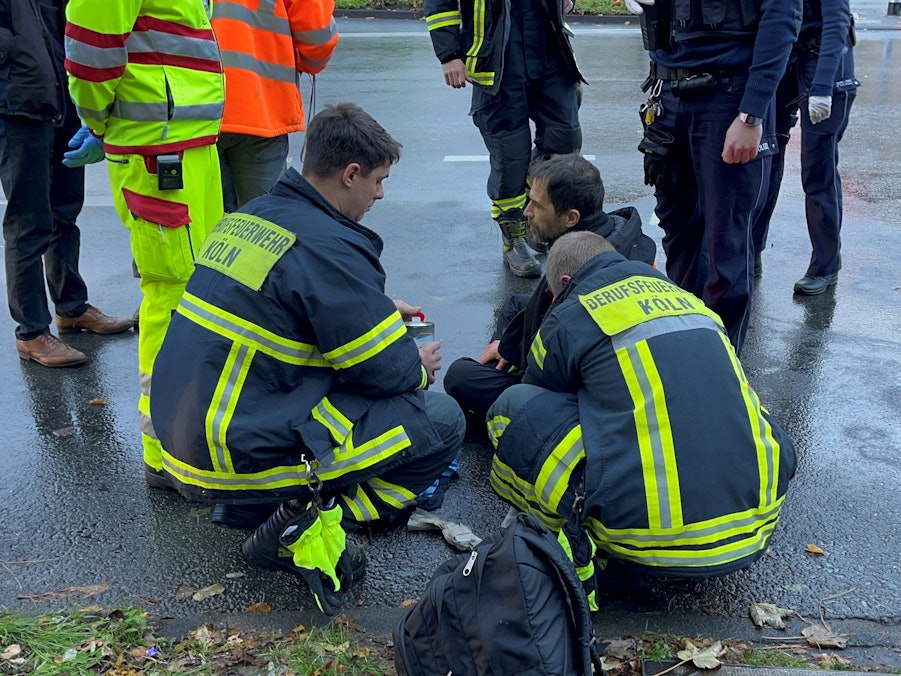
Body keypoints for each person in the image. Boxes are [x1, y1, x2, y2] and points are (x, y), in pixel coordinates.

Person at [150, 103, 466, 614]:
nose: (380, 195)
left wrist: (374, 309)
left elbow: (281, 302)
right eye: (379, 181)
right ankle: (297, 524)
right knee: (436, 418)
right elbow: (383, 371)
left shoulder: (252, 216)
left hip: (183, 436)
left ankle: (257, 505)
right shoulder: (331, 247)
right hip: (232, 453)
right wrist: (416, 363)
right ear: (350, 175)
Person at [488, 230, 797, 584]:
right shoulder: (690, 300)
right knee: (748, 409)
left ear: (565, 282)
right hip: (756, 524)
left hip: (644, 541)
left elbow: (539, 392)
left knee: (512, 407)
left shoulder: (572, 313)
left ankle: (555, 530)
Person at [63, 0, 225, 485]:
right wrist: (100, 123)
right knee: (173, 298)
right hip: (161, 151)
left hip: (184, 144)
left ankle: (185, 439)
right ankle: (167, 451)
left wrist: (105, 124)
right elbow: (92, 50)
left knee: (197, 292)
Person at [628, 0, 801, 353]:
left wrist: (752, 112)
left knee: (728, 242)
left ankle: (722, 363)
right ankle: (690, 345)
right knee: (679, 234)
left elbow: (782, 16)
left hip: (727, 97)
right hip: (667, 92)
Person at [443, 153, 655, 424]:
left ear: (570, 217)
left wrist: (514, 353)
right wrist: (509, 346)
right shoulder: (615, 235)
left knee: (462, 377)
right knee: (516, 305)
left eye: (537, 205)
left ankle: (509, 413)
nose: (527, 212)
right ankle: (503, 369)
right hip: (577, 348)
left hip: (583, 395)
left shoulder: (580, 265)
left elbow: (560, 359)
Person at [0, 0, 132, 368]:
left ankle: (71, 307)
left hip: (60, 97)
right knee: (28, 221)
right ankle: (30, 332)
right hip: (17, 104)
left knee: (65, 210)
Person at [424, 0, 585, 278]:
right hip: (499, 52)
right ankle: (514, 236)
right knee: (511, 154)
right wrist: (449, 54)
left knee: (565, 138)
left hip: (549, 42)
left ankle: (535, 214)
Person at [752, 0, 858, 296]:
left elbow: (836, 21)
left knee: (817, 169)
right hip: (786, 55)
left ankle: (826, 266)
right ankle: (752, 250)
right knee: (766, 154)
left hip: (826, 60)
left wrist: (823, 86)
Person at [212, 0, 339, 211]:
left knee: (202, 225)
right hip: (261, 109)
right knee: (262, 225)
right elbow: (317, 40)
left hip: (193, 109)